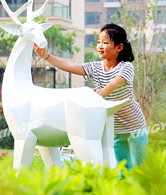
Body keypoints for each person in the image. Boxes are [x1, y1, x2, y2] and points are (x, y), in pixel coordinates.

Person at [33, 23, 148, 171]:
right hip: (114, 129)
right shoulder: (95, 67)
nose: (100, 46)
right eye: (99, 42)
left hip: (136, 127)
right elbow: (70, 66)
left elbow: (114, 83)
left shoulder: (126, 67)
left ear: (119, 47)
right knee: (123, 168)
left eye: (105, 42)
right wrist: (46, 56)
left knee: (142, 167)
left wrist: (96, 97)